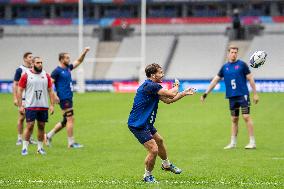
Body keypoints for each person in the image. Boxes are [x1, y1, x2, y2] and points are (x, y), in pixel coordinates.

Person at [128, 63, 195, 183]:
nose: (162, 74)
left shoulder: (153, 87)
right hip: (138, 124)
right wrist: (176, 85)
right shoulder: (150, 86)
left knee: (159, 141)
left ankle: (166, 165)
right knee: (154, 149)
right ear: (153, 75)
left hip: (146, 123)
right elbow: (172, 93)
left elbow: (169, 100)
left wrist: (184, 93)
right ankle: (147, 176)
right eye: (160, 72)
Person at [201, 46, 259, 149]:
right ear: (228, 53)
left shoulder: (242, 65)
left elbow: (250, 78)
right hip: (232, 97)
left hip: (243, 95)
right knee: (234, 119)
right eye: (232, 52)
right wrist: (206, 93)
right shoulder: (225, 67)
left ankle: (252, 142)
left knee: (246, 117)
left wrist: (255, 94)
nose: (234, 54)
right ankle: (233, 143)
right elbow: (215, 81)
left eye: (235, 52)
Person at [45, 47, 90, 148]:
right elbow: (49, 85)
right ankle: (71, 143)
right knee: (70, 119)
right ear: (61, 59)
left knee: (66, 121)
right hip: (63, 97)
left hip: (69, 97)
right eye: (67, 58)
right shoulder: (56, 71)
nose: (69, 59)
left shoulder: (68, 68)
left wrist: (84, 52)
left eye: (69, 58)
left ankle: (48, 136)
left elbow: (79, 61)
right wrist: (54, 95)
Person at [17, 57, 54, 155]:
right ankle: (24, 148)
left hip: (43, 106)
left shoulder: (46, 75)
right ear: (32, 63)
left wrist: (52, 105)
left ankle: (40, 148)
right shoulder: (26, 75)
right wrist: (20, 105)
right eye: (38, 62)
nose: (40, 64)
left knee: (41, 126)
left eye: (41, 62)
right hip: (30, 105)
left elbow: (50, 90)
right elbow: (19, 90)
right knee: (30, 126)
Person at [13, 52, 37, 145]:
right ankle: (19, 138)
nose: (32, 58)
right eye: (30, 57)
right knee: (22, 117)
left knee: (31, 119)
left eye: (32, 57)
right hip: (22, 98)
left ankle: (29, 138)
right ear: (25, 59)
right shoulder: (20, 70)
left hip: (32, 98)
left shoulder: (34, 69)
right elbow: (15, 84)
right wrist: (15, 98)